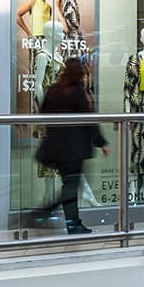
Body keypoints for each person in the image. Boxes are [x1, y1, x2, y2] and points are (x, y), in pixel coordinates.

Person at [31, 56, 107, 234]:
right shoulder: (78, 92)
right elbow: (88, 120)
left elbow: (44, 112)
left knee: (70, 185)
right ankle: (54, 216)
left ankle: (71, 222)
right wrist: (101, 142)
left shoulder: (54, 90)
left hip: (55, 147)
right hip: (73, 148)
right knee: (71, 186)